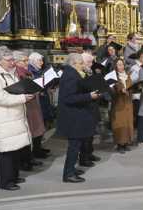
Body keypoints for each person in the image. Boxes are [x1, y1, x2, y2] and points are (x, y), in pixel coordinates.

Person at [0, 46, 34, 190]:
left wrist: (25, 92)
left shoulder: (8, 73)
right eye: (9, 60)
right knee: (6, 152)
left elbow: (14, 91)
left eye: (12, 60)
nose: (12, 63)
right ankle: (5, 182)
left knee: (15, 150)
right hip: (2, 119)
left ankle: (13, 177)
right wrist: (23, 98)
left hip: (12, 117)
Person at [57, 53, 100, 183]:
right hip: (73, 117)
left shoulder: (72, 73)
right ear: (73, 63)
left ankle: (71, 169)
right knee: (74, 146)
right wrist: (89, 96)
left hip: (76, 115)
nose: (83, 65)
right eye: (81, 63)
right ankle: (68, 174)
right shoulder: (70, 75)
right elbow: (68, 98)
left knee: (76, 145)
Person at [14, 51, 45, 171]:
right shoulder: (18, 73)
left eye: (27, 60)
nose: (27, 63)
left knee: (32, 132)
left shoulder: (26, 72)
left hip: (32, 104)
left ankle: (29, 158)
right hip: (26, 105)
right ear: (16, 62)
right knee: (26, 134)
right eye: (24, 61)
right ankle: (25, 161)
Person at [77, 52, 102, 167]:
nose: (91, 64)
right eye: (89, 62)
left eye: (92, 62)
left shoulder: (89, 72)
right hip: (85, 107)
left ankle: (89, 153)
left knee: (91, 133)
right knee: (85, 135)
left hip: (93, 105)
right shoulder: (80, 74)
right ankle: (83, 157)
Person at [28, 52, 52, 158]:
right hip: (36, 101)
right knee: (36, 126)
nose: (42, 63)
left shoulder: (38, 70)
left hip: (43, 99)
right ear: (33, 61)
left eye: (42, 61)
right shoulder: (30, 71)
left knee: (41, 125)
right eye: (39, 61)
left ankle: (39, 147)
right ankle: (35, 150)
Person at [110, 59, 134, 153]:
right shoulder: (113, 77)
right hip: (118, 103)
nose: (121, 66)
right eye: (119, 65)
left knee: (128, 123)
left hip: (128, 103)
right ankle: (120, 144)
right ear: (115, 66)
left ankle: (126, 143)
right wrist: (120, 90)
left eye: (122, 64)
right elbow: (111, 91)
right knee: (119, 123)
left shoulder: (128, 76)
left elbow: (131, 87)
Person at [130, 50, 143, 128]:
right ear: (138, 57)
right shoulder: (135, 67)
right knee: (137, 114)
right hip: (137, 94)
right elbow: (132, 80)